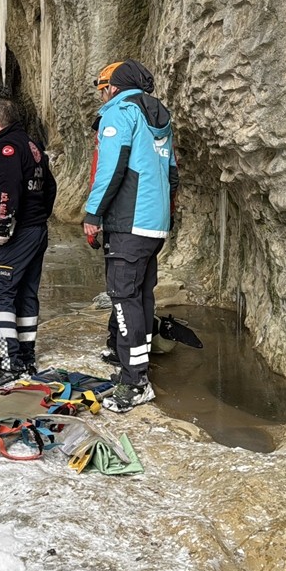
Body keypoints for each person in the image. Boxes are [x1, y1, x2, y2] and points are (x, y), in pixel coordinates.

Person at [84, 60, 179, 411]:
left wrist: (93, 214)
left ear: (115, 87)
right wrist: (165, 215)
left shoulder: (120, 112)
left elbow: (111, 169)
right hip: (155, 224)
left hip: (129, 222)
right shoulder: (160, 118)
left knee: (124, 298)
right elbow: (172, 174)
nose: (104, 95)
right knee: (141, 295)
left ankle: (136, 381)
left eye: (105, 88)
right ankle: (136, 365)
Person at [0, 99, 57, 391]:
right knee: (26, 293)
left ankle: (9, 363)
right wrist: (40, 216)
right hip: (37, 230)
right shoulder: (32, 145)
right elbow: (50, 187)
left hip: (18, 232)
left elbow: (8, 187)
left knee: (0, 292)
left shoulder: (6, 147)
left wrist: (3, 224)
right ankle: (25, 358)